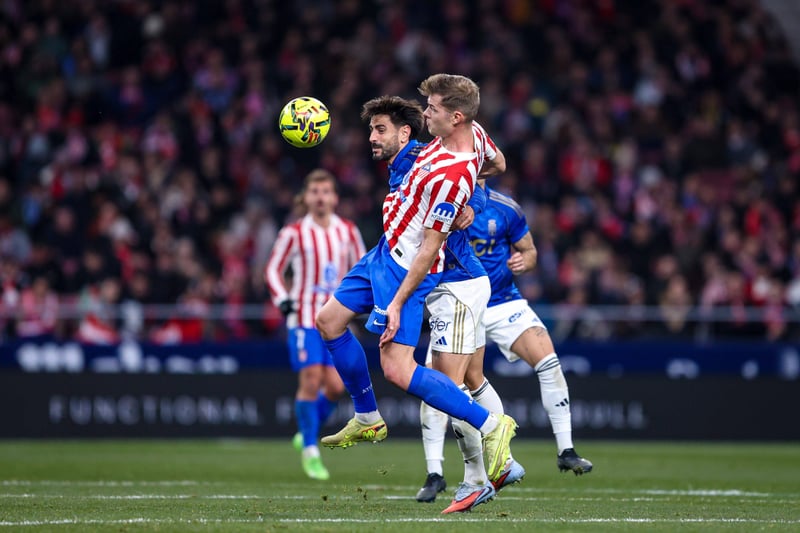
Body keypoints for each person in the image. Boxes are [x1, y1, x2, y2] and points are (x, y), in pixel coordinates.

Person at [314, 75, 518, 502]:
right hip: (383, 252)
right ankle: (367, 416)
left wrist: (471, 203)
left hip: (412, 267)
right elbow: (496, 163)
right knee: (329, 320)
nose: (372, 138)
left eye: (380, 130)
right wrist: (471, 196)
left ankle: (488, 436)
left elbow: (432, 240)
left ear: (405, 134)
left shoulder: (430, 163)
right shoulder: (463, 140)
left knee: (406, 370)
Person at [417, 182, 593, 493]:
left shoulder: (505, 208)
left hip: (502, 302)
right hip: (459, 303)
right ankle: (435, 473)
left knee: (549, 362)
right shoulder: (440, 203)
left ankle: (566, 450)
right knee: (439, 382)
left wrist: (526, 261)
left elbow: (530, 251)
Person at [265, 168, 367, 481]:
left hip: (336, 319)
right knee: (311, 378)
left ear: (334, 197)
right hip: (304, 318)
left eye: (325, 191)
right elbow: (273, 269)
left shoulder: (347, 231)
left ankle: (306, 432)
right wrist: (282, 298)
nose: (320, 197)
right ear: (306, 198)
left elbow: (362, 266)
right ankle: (310, 449)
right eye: (315, 191)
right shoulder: (294, 232)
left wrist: (361, 304)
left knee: (336, 386)